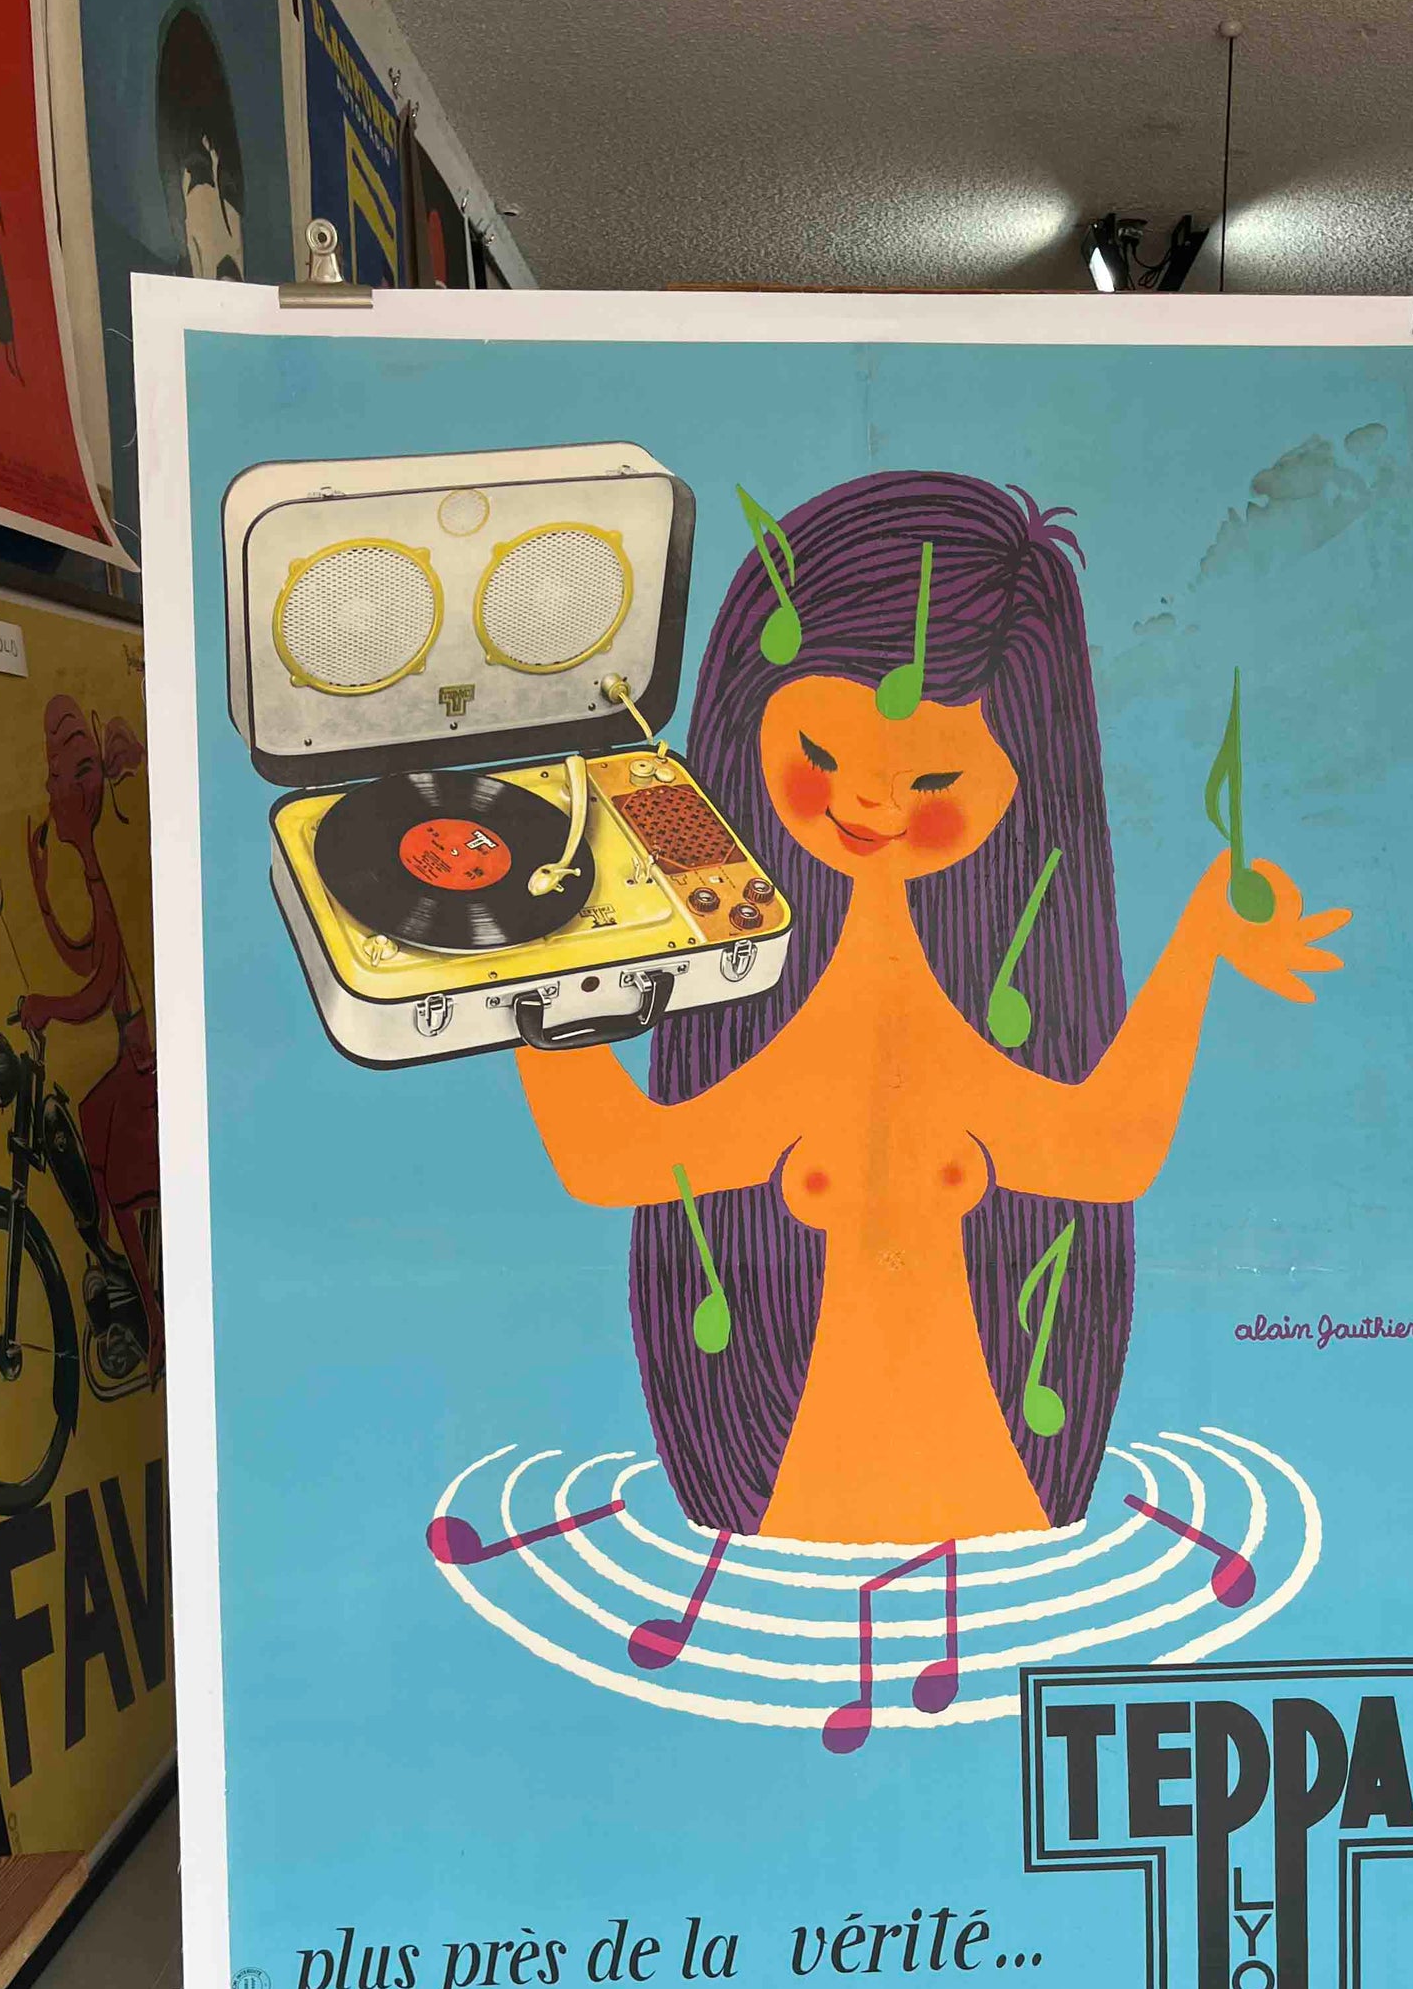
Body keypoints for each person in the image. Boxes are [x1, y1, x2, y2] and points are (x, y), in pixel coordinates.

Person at [518, 473, 1344, 1544]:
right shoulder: (791, 1002)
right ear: (741, 723)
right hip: (789, 1489)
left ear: (1027, 782)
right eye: (820, 757)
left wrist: (1199, 942)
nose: (871, 802)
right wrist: (523, 944)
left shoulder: (959, 994)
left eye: (936, 781)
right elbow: (618, 1160)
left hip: (986, 1477)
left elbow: (1105, 1155)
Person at [20, 695, 162, 1378]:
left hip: (146, 1061)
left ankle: (154, 1318)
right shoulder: (97, 861)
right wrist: (44, 897)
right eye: (57, 776)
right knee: (89, 1117)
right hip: (137, 1055)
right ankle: (123, 1280)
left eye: (78, 771)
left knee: (119, 1170)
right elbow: (87, 954)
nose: (64, 791)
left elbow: (100, 983)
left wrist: (48, 1008)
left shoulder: (109, 861)